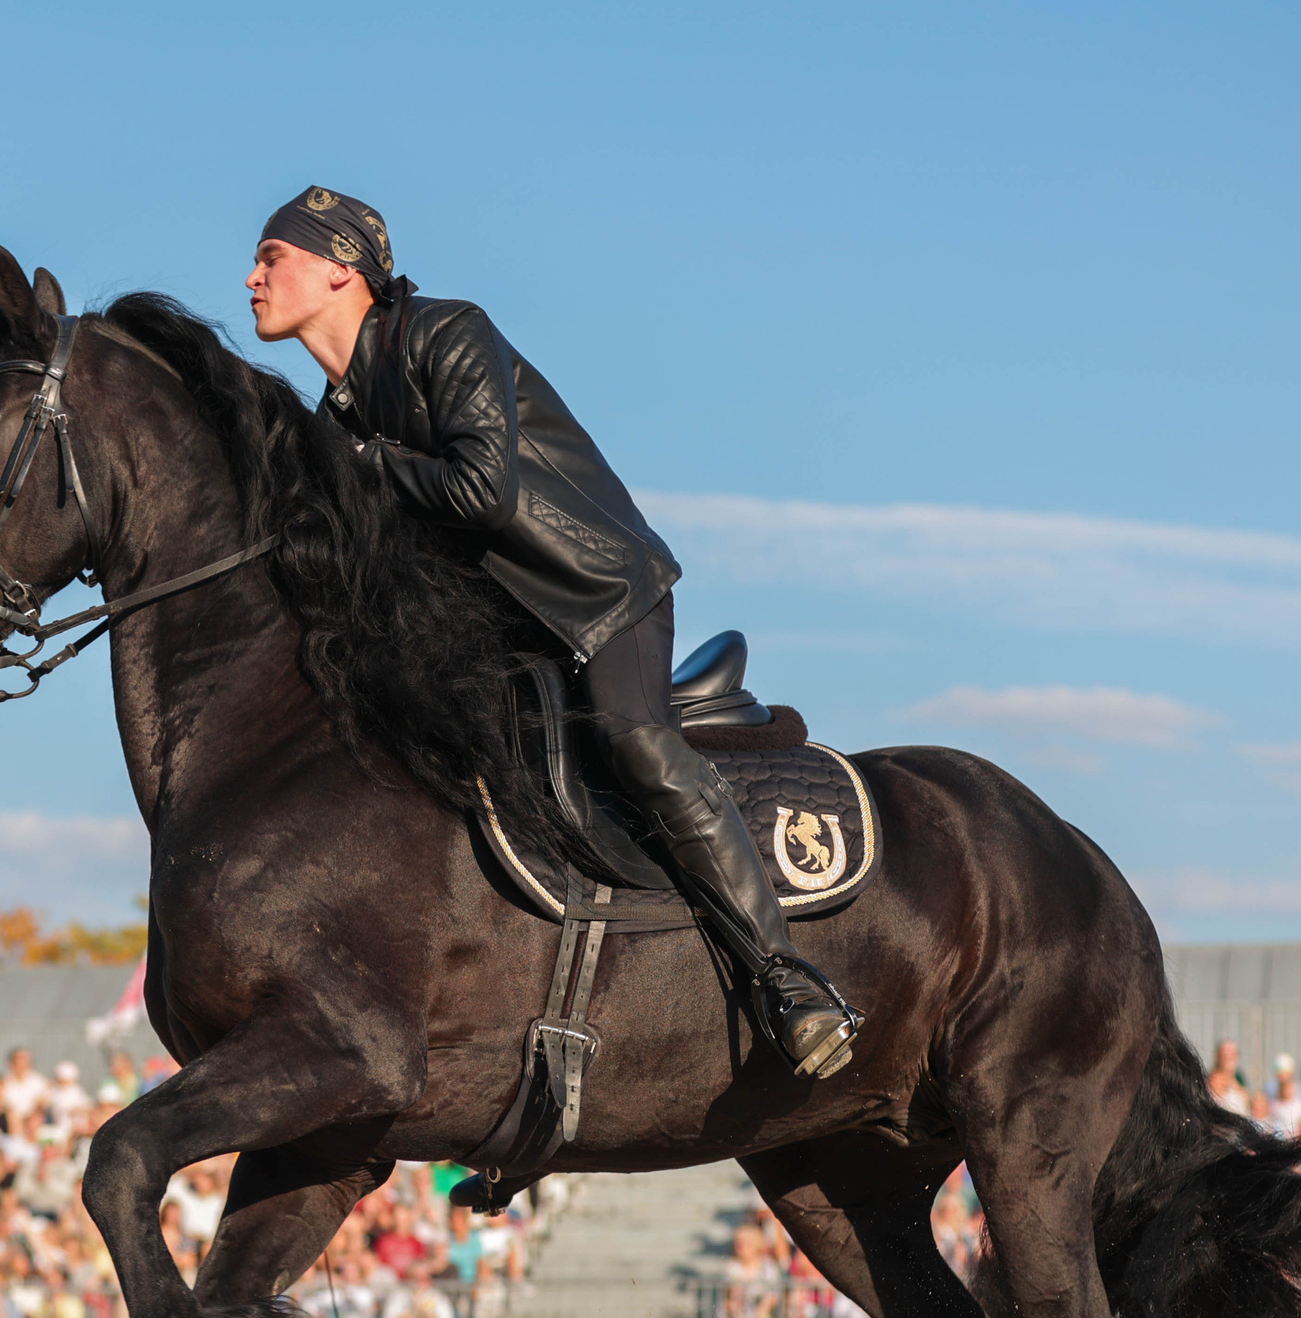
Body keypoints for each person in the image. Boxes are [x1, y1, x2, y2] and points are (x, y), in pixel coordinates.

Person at [245, 185, 858, 1079]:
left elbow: (480, 490)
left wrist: (363, 467)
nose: (253, 277)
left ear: (341, 269)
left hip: (600, 594)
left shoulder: (446, 332)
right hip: (502, 635)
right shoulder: (337, 413)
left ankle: (788, 979)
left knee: (637, 745)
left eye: (273, 257)